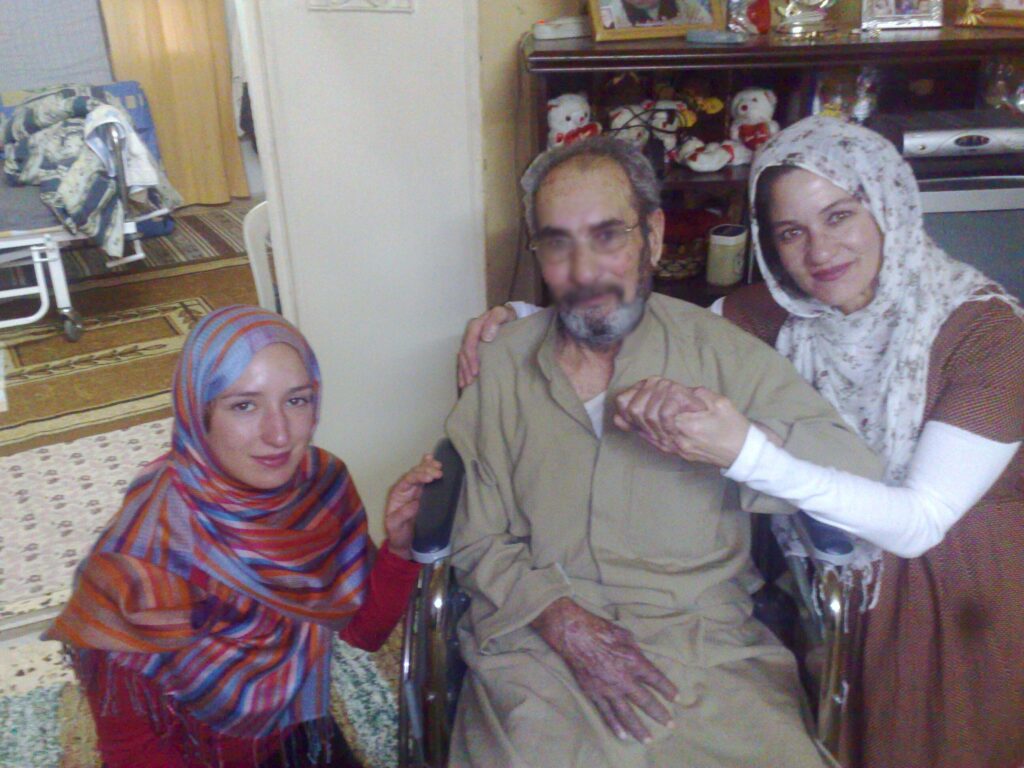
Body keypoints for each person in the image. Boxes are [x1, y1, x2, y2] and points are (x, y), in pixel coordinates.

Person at [458, 117, 1024, 768]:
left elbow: (915, 519)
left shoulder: (990, 334)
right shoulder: (764, 315)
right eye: (791, 231)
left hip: (950, 578)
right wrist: (525, 320)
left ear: (654, 235)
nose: (820, 251)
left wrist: (744, 447)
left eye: (839, 215)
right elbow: (479, 527)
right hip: (550, 645)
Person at [44, 305, 441, 768]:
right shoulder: (138, 568)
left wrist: (398, 548)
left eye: (297, 400)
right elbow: (134, 752)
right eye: (244, 405)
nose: (279, 435)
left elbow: (365, 631)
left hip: (291, 733)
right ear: (199, 411)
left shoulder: (319, 485)